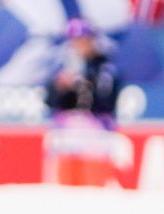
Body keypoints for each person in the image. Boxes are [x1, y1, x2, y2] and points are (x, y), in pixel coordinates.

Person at [45, 18, 121, 186]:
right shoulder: (62, 66)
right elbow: (50, 102)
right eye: (74, 40)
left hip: (96, 136)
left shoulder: (105, 67)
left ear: (92, 40)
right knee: (65, 187)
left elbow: (107, 103)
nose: (78, 45)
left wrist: (86, 84)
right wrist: (62, 88)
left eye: (83, 40)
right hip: (66, 135)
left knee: (93, 188)